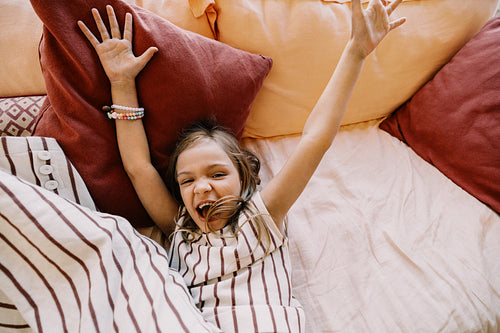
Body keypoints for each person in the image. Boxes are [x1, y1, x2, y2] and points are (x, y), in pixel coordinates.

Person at [78, 0, 405, 331]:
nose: (202, 187)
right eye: (187, 181)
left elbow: (315, 139)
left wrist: (355, 52)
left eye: (217, 174)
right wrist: (121, 82)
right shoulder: (180, 228)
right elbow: (139, 167)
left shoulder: (261, 217)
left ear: (245, 179)